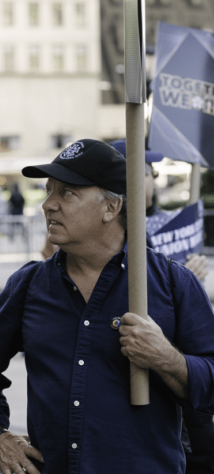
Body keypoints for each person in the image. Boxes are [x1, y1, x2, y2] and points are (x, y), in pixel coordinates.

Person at [0, 139, 214, 474]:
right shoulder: (29, 285)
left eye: (67, 192)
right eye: (49, 190)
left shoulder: (171, 282)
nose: (47, 205)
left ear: (111, 207)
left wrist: (166, 359)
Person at [110, 138, 213, 474]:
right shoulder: (113, 234)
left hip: (183, 361)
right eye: (143, 172)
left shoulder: (168, 223)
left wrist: (192, 271)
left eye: (152, 174)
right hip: (139, 370)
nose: (150, 181)